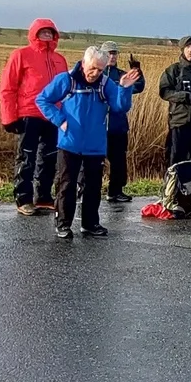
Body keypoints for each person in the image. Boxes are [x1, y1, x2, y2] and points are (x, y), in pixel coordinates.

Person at [36, 46, 140, 239]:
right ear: (83, 63)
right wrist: (60, 120)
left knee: (93, 186)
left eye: (100, 70)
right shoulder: (67, 80)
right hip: (70, 143)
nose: (95, 73)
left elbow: (119, 107)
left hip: (95, 145)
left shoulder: (105, 83)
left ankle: (90, 224)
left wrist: (124, 88)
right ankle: (63, 224)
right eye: (92, 68)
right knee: (66, 185)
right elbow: (43, 100)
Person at [0, 18, 68, 216]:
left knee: (49, 158)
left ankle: (44, 197)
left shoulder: (59, 59)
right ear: (34, 34)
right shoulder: (21, 55)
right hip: (28, 113)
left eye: (50, 32)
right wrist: (9, 117)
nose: (46, 36)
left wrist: (65, 115)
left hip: (53, 115)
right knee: (26, 157)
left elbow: (66, 89)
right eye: (42, 32)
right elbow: (8, 87)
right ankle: (23, 198)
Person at [158, 35, 191, 194]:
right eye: (188, 47)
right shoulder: (173, 70)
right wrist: (183, 96)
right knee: (176, 157)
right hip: (179, 121)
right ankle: (172, 188)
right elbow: (164, 91)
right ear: (182, 50)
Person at [99, 41, 145, 203]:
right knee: (94, 161)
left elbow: (138, 87)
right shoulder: (96, 73)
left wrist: (136, 70)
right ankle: (87, 191)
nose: (111, 56)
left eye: (114, 53)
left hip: (117, 126)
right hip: (98, 127)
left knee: (118, 160)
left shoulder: (121, 74)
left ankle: (115, 191)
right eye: (108, 53)